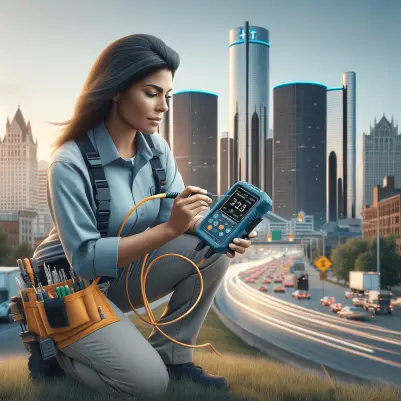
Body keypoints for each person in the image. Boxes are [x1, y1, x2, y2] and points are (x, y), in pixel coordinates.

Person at [32, 34, 258, 398]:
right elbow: (87, 260)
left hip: (119, 278)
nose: (164, 106)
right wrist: (172, 228)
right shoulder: (68, 164)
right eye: (152, 93)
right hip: (69, 289)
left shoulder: (156, 150)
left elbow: (180, 217)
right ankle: (54, 355)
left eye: (167, 95)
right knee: (148, 385)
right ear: (116, 90)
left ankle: (174, 357)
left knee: (211, 252)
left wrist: (221, 234)